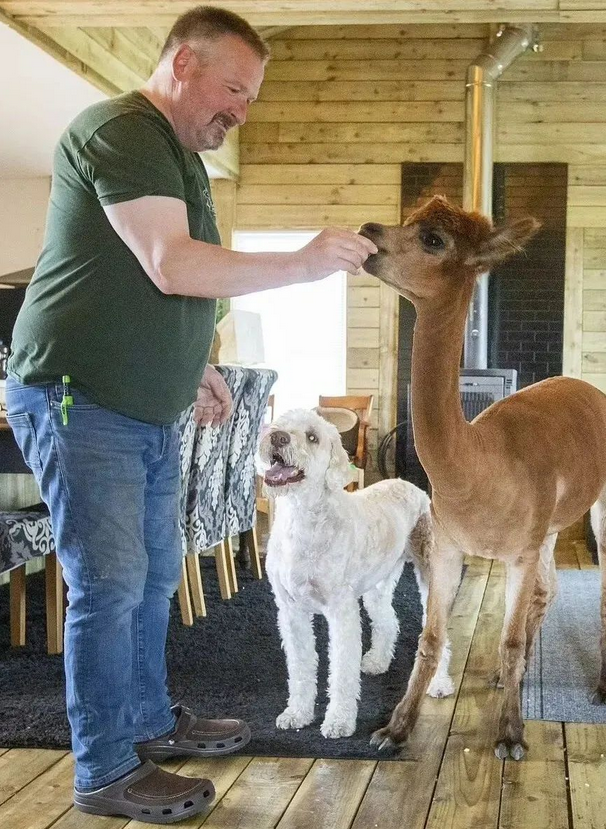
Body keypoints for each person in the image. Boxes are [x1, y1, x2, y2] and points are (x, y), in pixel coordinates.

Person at [6, 6, 377, 824]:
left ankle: (144, 720)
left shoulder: (180, 160)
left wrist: (196, 363)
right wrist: (305, 262)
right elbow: (171, 264)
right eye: (235, 89)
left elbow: (156, 278)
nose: (242, 110)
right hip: (76, 394)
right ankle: (104, 769)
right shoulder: (123, 130)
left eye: (251, 96)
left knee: (151, 574)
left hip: (145, 403)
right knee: (110, 582)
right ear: (181, 65)